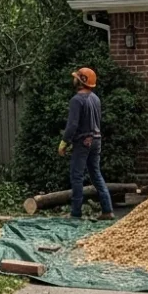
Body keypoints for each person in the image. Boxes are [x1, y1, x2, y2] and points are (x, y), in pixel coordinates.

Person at [58, 67, 115, 220]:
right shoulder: (96, 99)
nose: (74, 79)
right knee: (95, 173)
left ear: (81, 81)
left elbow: (72, 125)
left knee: (76, 176)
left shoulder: (76, 100)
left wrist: (64, 142)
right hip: (96, 139)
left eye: (76, 77)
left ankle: (76, 213)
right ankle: (107, 210)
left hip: (83, 141)